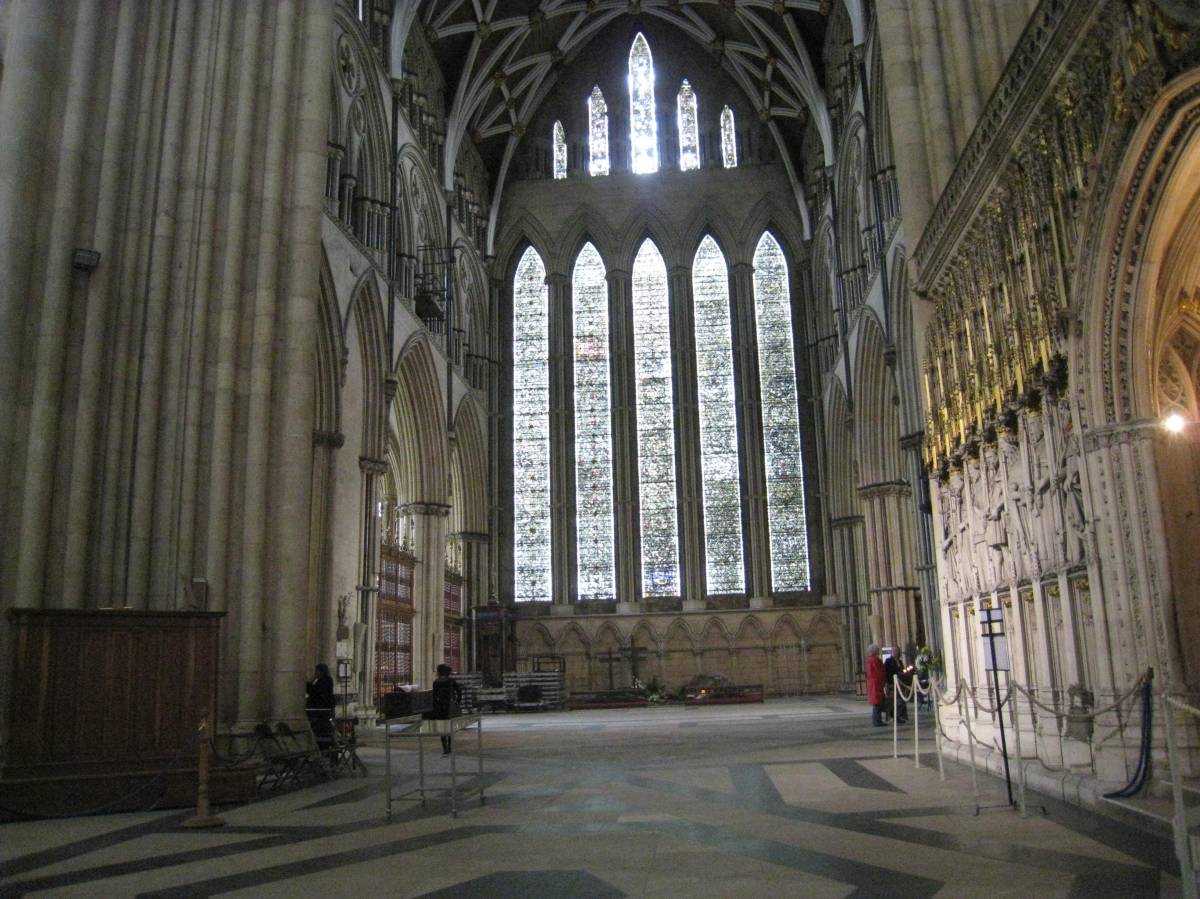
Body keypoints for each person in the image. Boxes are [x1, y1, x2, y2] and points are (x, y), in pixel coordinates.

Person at [429, 663, 463, 755]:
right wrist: (457, 702)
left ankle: (445, 748)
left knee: (442, 728)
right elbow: (459, 691)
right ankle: (450, 747)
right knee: (450, 727)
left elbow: (434, 696)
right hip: (450, 707)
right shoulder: (451, 681)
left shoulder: (436, 682)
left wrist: (435, 707)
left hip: (440, 707)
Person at [884, 650, 909, 724]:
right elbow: (887, 671)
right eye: (894, 651)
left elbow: (902, 670)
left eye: (897, 651)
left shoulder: (900, 661)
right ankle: (891, 717)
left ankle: (899, 716)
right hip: (891, 683)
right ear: (892, 652)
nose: (896, 653)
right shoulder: (888, 661)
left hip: (900, 683)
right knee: (892, 702)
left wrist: (904, 672)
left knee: (901, 701)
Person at [866, 644, 886, 727]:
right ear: (874, 651)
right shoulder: (874, 660)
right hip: (876, 683)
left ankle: (877, 720)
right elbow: (878, 671)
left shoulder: (870, 659)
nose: (879, 651)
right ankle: (877, 721)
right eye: (877, 650)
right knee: (877, 703)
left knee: (877, 703)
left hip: (874, 683)